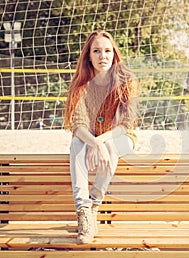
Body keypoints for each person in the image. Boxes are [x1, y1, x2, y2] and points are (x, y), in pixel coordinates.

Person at [63, 30, 139, 244]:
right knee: (77, 144)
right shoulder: (80, 85)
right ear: (88, 56)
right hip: (91, 137)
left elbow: (125, 125)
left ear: (114, 54)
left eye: (107, 51)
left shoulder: (126, 81)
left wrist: (104, 141)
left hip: (120, 136)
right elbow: (78, 125)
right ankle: (84, 210)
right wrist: (96, 142)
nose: (102, 56)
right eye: (96, 51)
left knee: (113, 146)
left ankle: (94, 202)